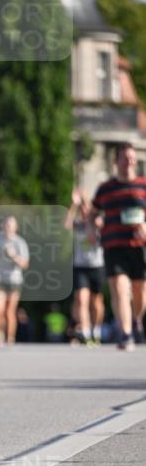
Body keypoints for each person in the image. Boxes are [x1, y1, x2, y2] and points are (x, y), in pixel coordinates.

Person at [91, 143, 146, 350]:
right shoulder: (105, 188)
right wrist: (90, 228)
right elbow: (93, 213)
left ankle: (137, 320)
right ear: (116, 162)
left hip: (139, 246)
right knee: (120, 289)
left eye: (132, 157)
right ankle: (126, 333)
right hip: (113, 245)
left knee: (139, 291)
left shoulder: (143, 185)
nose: (129, 161)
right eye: (125, 158)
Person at [64, 187, 105, 345]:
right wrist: (74, 204)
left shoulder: (98, 221)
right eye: (81, 208)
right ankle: (86, 333)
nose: (83, 210)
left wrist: (91, 218)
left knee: (96, 301)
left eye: (84, 206)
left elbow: (93, 239)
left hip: (97, 265)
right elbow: (67, 224)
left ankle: (96, 330)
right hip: (80, 266)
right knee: (81, 299)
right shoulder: (78, 223)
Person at [0, 216, 29, 344]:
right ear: (2, 226)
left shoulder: (20, 242)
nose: (7, 227)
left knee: (9, 311)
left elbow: (25, 264)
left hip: (14, 280)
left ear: (16, 227)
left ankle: (10, 338)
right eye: (6, 224)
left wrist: (13, 256)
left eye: (10, 225)